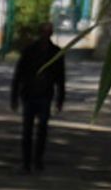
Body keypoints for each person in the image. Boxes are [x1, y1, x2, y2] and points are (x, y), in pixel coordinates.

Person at [11, 21, 69, 172]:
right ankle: (26, 162)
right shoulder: (30, 51)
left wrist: (60, 99)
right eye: (44, 31)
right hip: (29, 94)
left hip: (45, 95)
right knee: (27, 130)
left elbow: (60, 78)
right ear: (40, 33)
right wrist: (14, 97)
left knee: (42, 129)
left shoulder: (56, 52)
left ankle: (38, 160)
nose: (46, 34)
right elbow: (19, 74)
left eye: (48, 32)